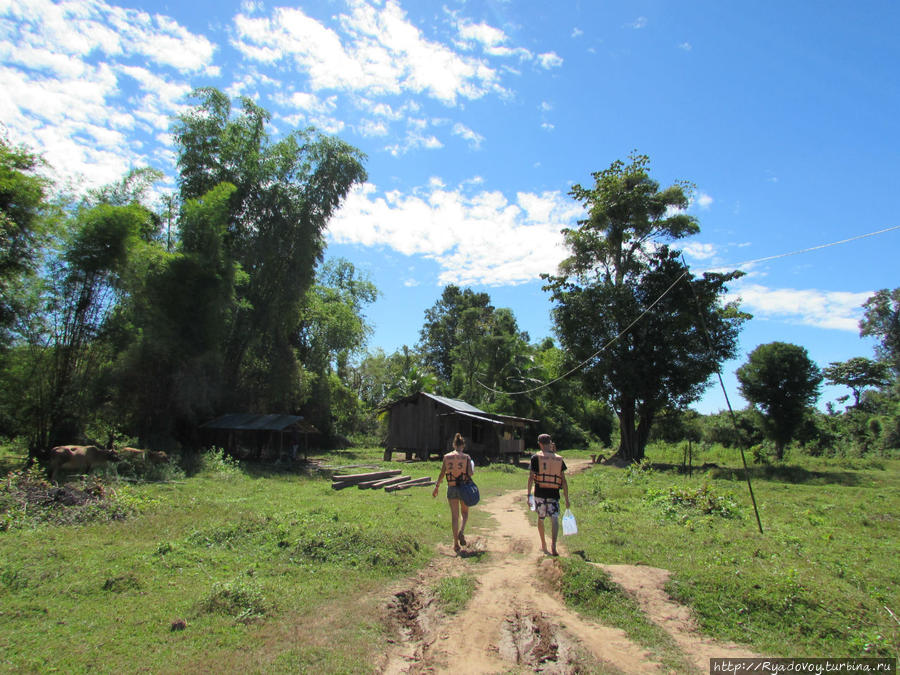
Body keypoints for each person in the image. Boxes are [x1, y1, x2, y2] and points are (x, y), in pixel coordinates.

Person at [526, 434, 570, 556]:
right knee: (554, 518)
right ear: (550, 443)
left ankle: (544, 544)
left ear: (539, 443)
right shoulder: (559, 459)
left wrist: (529, 494)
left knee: (541, 518)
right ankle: (554, 545)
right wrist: (567, 498)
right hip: (554, 494)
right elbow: (564, 481)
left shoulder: (535, 458)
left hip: (540, 493)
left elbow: (531, 478)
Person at [432, 432, 475, 553]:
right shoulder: (467, 457)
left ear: (453, 445)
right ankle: (462, 531)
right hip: (464, 488)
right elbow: (470, 473)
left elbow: (442, 474)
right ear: (463, 446)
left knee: (454, 517)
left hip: (451, 488)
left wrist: (437, 487)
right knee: (465, 513)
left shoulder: (446, 457)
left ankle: (455, 544)